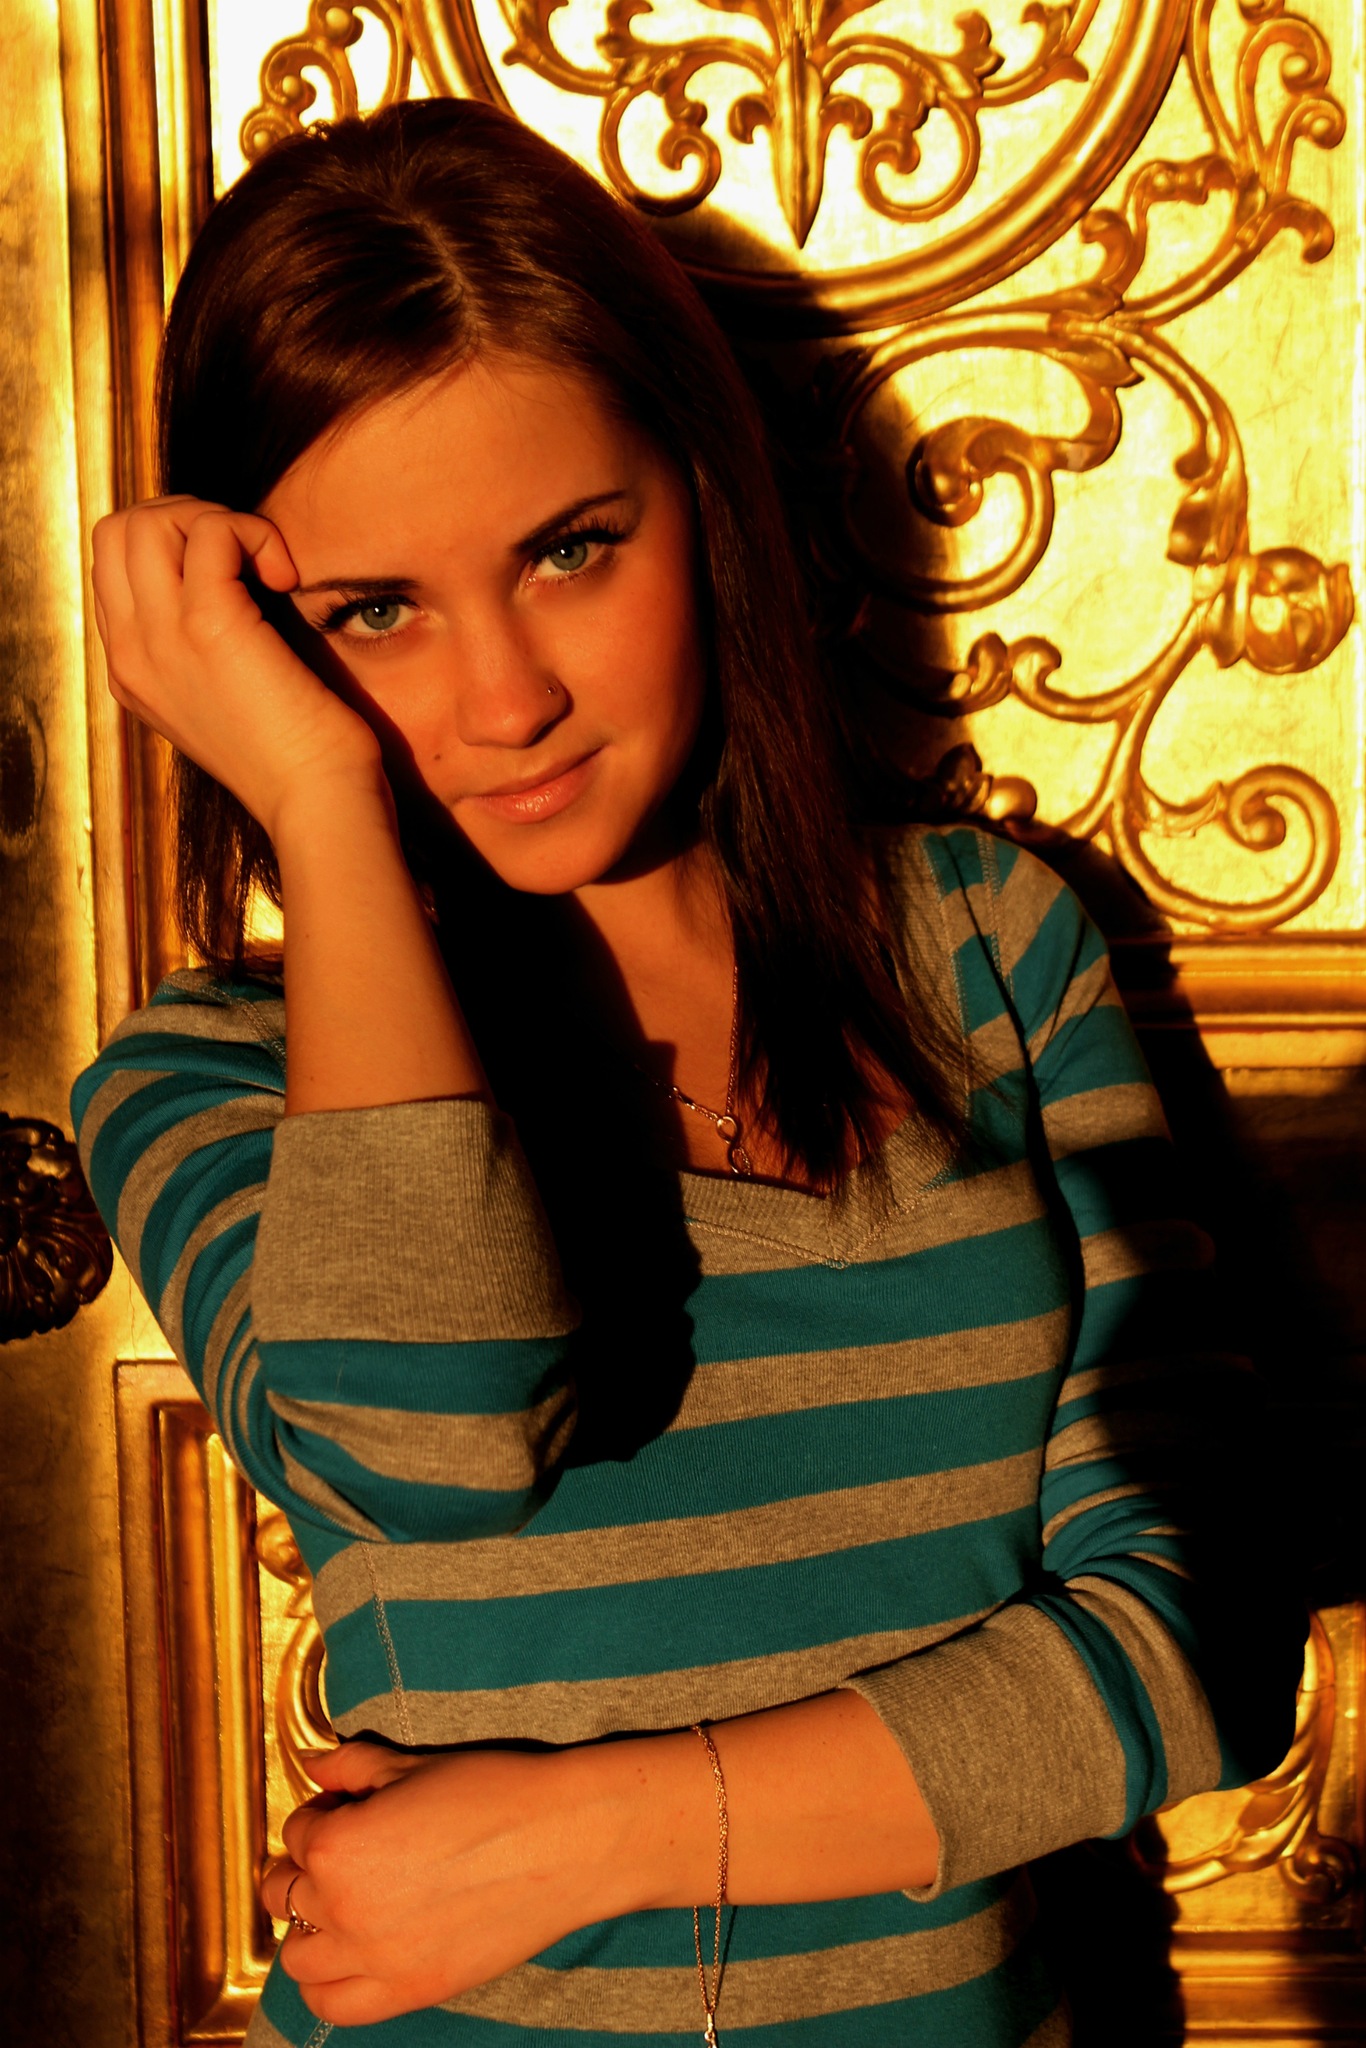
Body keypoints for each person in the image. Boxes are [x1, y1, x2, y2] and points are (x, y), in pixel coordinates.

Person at [73, 96, 1301, 2048]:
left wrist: (579, 1840)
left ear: (703, 508)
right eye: (371, 612)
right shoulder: (201, 1083)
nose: (506, 698)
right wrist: (316, 798)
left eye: (569, 551)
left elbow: (1196, 1633)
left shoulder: (985, 948)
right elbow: (434, 1447)